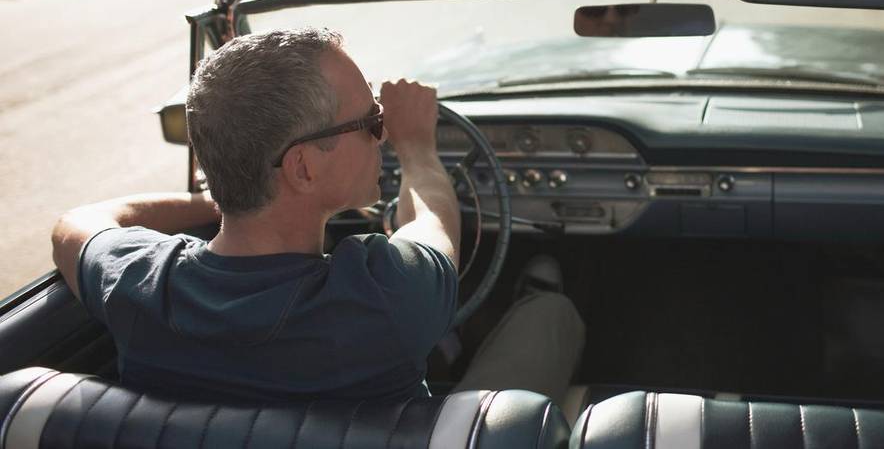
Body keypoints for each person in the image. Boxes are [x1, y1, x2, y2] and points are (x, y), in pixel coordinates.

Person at [50, 28, 585, 405]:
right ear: (303, 168)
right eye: (371, 123)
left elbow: (77, 221)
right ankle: (539, 298)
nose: (381, 134)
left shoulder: (139, 283)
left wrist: (233, 194)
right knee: (552, 315)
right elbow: (437, 220)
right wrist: (417, 144)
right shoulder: (388, 295)